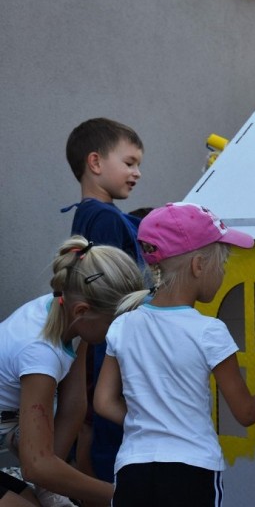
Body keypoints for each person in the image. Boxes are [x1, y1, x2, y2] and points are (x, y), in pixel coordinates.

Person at [93, 202, 255, 506]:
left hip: (133, 469)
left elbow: (103, 402)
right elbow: (246, 412)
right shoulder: (208, 331)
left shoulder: (123, 325)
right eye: (222, 263)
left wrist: (150, 422)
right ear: (198, 265)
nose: (223, 271)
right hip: (192, 471)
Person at [0, 236, 145, 506]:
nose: (122, 333)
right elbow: (37, 465)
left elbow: (73, 407)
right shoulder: (40, 352)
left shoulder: (64, 313)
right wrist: (122, 495)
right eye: (117, 323)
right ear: (83, 310)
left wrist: (48, 485)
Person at [62, 117, 146, 484]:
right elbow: (111, 294)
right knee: (113, 445)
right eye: (129, 163)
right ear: (95, 163)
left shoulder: (97, 215)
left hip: (108, 347)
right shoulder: (105, 218)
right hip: (114, 348)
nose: (137, 173)